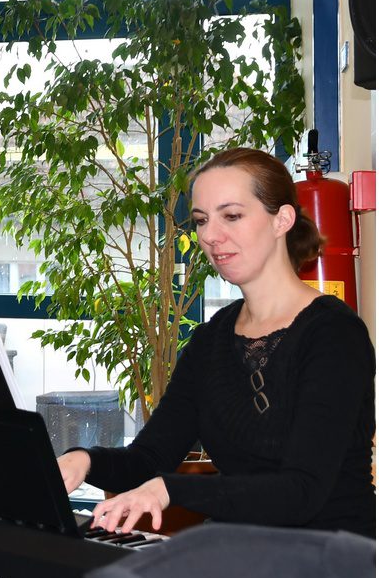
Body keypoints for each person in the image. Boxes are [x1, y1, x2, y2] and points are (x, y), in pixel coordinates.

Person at [57, 147, 375, 539]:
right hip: (238, 547)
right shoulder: (211, 341)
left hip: (330, 556)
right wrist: (83, 460)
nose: (209, 235)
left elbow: (301, 491)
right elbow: (148, 458)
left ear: (282, 220)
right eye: (202, 220)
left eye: (232, 216)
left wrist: (170, 489)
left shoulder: (334, 334)